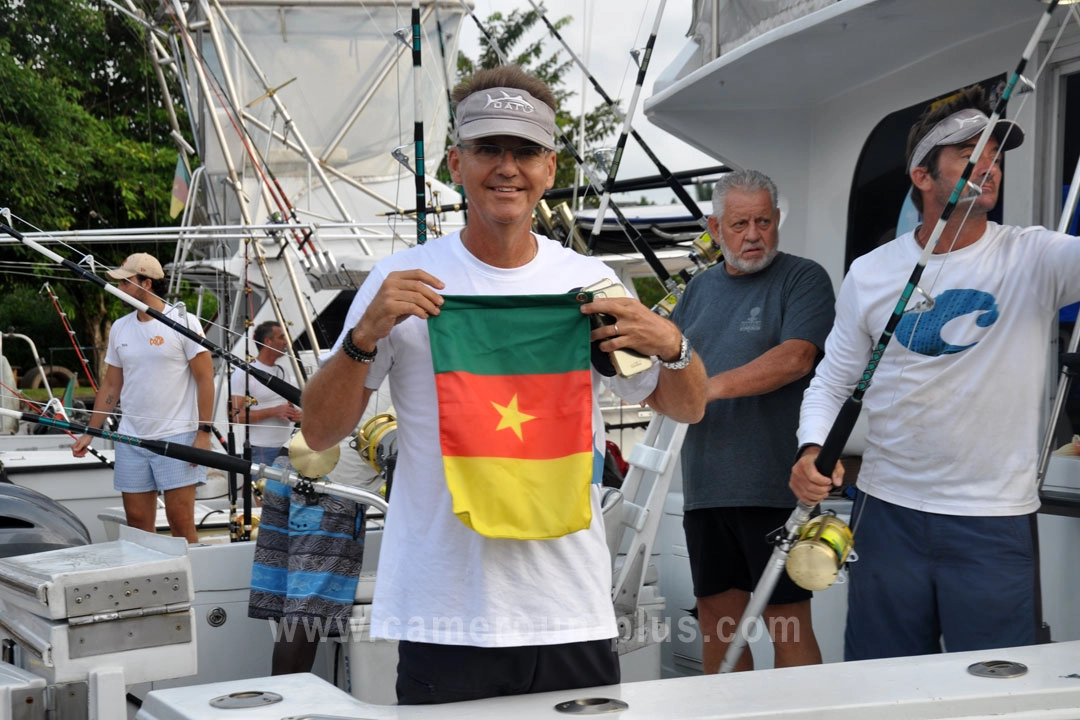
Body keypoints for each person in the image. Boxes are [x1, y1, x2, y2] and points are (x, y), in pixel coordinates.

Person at [300, 65, 706, 705]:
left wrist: (674, 346)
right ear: (455, 164)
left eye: (524, 151)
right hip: (444, 611)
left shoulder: (591, 283)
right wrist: (363, 337)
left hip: (570, 608)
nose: (506, 168)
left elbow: (687, 404)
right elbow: (319, 431)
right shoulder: (399, 279)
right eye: (488, 149)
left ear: (549, 168)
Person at [790, 85, 1080, 660]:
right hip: (886, 513)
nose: (989, 166)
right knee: (882, 687)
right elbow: (831, 382)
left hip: (992, 520)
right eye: (969, 154)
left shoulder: (1035, 255)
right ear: (923, 176)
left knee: (998, 692)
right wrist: (810, 450)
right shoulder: (870, 272)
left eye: (995, 153)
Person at [671, 169, 835, 673]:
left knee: (788, 623)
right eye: (739, 223)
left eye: (763, 220)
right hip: (704, 490)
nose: (753, 234)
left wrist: (708, 387)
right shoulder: (696, 290)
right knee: (719, 629)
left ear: (777, 220)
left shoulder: (803, 277)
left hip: (776, 487)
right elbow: (669, 369)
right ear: (714, 227)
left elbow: (797, 358)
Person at [72, 252, 214, 543]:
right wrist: (91, 431)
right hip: (131, 439)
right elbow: (111, 385)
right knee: (136, 523)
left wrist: (204, 432)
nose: (119, 289)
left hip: (179, 437)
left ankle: (194, 585)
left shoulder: (183, 321)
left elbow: (205, 379)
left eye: (126, 283)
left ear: (146, 283)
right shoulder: (121, 327)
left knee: (180, 522)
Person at [229, 321, 302, 466]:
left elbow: (287, 407)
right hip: (260, 450)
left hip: (287, 447)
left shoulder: (283, 371)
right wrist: (273, 411)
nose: (286, 341)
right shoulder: (244, 372)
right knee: (262, 489)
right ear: (268, 341)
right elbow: (234, 415)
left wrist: (296, 415)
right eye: (281, 337)